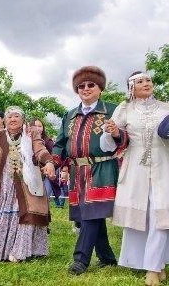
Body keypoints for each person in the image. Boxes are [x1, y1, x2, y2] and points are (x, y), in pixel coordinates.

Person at [52, 66, 124, 275]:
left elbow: (127, 138)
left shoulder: (113, 109)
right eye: (81, 86)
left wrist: (118, 133)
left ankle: (80, 260)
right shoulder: (70, 116)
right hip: (77, 172)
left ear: (100, 88)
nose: (86, 88)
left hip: (102, 167)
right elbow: (59, 144)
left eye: (91, 84)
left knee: (91, 213)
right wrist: (52, 162)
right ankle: (107, 257)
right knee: (89, 214)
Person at [101, 71, 169, 285]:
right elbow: (109, 144)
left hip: (164, 164)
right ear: (131, 88)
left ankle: (153, 267)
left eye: (148, 80)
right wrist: (110, 132)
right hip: (135, 168)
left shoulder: (166, 107)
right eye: (140, 81)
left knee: (162, 215)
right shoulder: (125, 109)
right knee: (143, 216)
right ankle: (153, 261)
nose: (146, 83)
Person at [0, 106, 55, 262]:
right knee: (4, 212)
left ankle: (20, 251)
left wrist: (49, 162)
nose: (12, 119)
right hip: (3, 184)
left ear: (23, 119)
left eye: (16, 116)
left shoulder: (31, 133)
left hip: (26, 182)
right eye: (9, 116)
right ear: (5, 120)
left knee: (24, 212)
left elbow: (40, 150)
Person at [28, 118, 61, 208]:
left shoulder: (48, 142)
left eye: (40, 126)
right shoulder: (26, 141)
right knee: (31, 200)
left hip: (46, 176)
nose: (38, 128)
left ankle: (43, 219)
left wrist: (49, 165)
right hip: (31, 175)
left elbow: (56, 158)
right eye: (35, 126)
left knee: (43, 198)